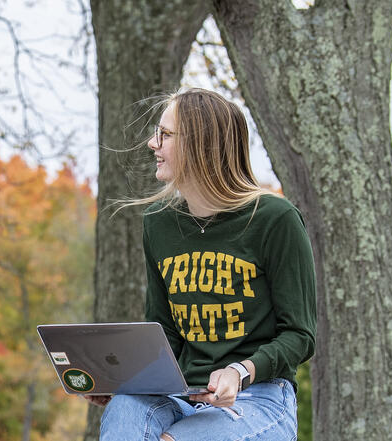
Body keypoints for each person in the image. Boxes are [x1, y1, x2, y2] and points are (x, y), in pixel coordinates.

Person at [91, 88, 316, 441]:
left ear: (201, 144)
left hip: (259, 398)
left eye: (165, 134)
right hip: (182, 395)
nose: (152, 144)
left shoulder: (275, 219)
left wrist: (239, 371)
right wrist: (125, 380)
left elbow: (299, 335)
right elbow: (165, 332)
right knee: (124, 409)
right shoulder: (159, 223)